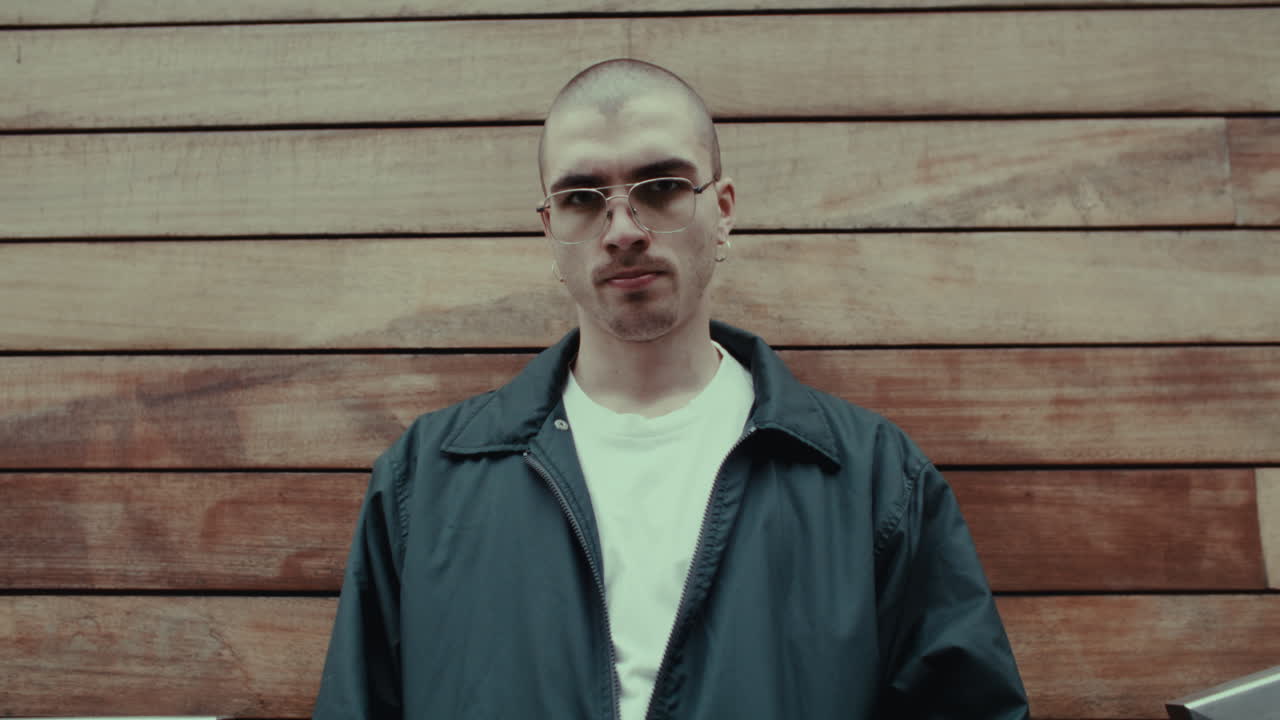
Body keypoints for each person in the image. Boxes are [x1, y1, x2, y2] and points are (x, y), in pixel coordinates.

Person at [313, 58, 1030, 720]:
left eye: (660, 188)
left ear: (722, 209)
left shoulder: (873, 480)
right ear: (550, 230)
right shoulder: (427, 481)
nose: (622, 229)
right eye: (582, 197)